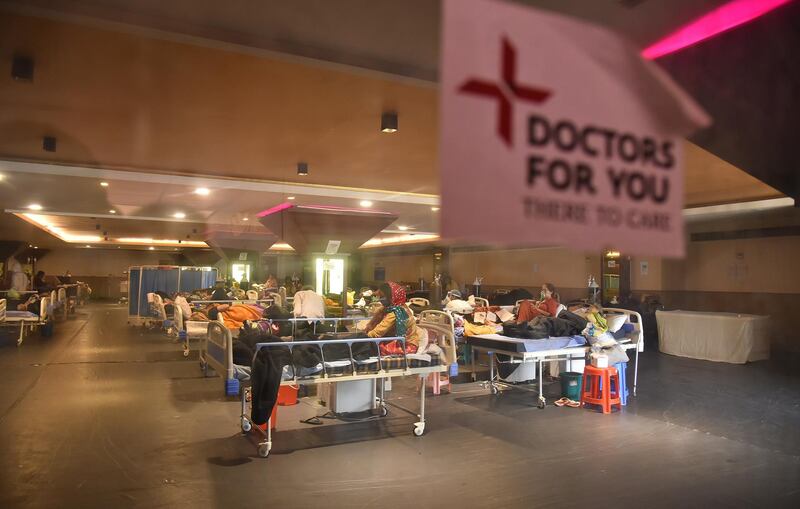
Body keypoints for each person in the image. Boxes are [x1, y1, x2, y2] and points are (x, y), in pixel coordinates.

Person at [365, 282, 422, 354]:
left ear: (392, 297)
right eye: (380, 296)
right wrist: (365, 334)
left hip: (406, 345)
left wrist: (362, 339)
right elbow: (373, 325)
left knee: (374, 348)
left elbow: (377, 333)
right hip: (393, 340)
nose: (380, 299)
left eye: (383, 297)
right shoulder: (387, 308)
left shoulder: (397, 312)